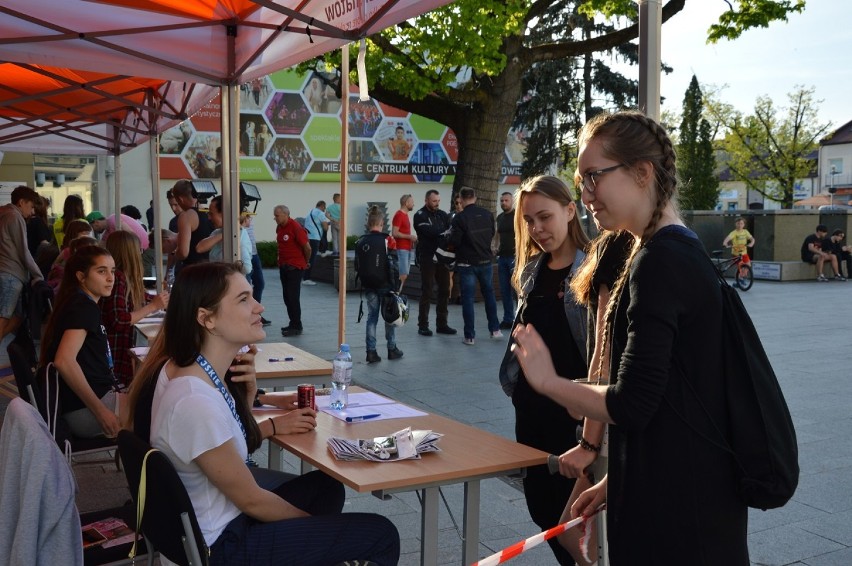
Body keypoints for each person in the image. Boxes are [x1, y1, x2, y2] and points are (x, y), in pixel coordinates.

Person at [512, 111, 750, 564]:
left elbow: (634, 403)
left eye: (593, 178)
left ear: (641, 173)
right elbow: (675, 399)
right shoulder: (670, 250)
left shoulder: (661, 261)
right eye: (581, 181)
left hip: (683, 516)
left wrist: (548, 382)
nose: (585, 196)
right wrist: (616, 480)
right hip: (676, 490)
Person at [125, 262, 400, 565]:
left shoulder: (186, 370)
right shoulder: (193, 400)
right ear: (207, 319)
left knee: (327, 488)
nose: (259, 307)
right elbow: (251, 500)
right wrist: (310, 530)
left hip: (217, 521)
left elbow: (229, 433)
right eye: (243, 300)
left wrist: (249, 392)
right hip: (223, 545)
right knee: (381, 533)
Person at [497, 175, 589, 565]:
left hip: (575, 414)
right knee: (542, 512)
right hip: (532, 411)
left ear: (571, 210)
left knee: (575, 523)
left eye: (545, 217)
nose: (537, 229)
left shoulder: (594, 270)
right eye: (529, 220)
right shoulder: (531, 269)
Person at [40, 246, 120, 439]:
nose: (110, 278)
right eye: (101, 271)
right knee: (159, 412)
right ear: (81, 276)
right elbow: (64, 361)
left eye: (113, 271)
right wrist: (101, 412)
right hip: (83, 411)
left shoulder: (78, 301)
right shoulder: (83, 307)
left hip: (83, 402)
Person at [102, 231, 169, 387]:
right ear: (130, 252)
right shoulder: (118, 279)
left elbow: (142, 298)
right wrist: (154, 306)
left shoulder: (122, 277)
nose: (142, 252)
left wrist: (161, 300)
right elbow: (119, 320)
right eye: (139, 249)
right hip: (115, 349)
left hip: (118, 348)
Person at [449, 187, 500, 345]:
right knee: (489, 295)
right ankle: (495, 330)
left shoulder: (459, 218)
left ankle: (470, 336)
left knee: (468, 299)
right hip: (485, 261)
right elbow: (492, 233)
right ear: (475, 198)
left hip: (467, 263)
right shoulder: (487, 215)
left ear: (462, 200)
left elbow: (455, 241)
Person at [358, 206, 405, 364]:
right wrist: (396, 285)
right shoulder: (388, 240)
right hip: (385, 284)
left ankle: (371, 352)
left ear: (368, 223)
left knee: (372, 318)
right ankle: (391, 349)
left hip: (369, 285)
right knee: (389, 317)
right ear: (382, 223)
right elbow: (394, 264)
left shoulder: (361, 241)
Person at [0, 186, 45, 342]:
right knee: (4, 317)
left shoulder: (4, 214)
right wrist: (38, 275)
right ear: (21, 202)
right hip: (11, 274)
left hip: (5, 272)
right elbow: (23, 251)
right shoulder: (15, 217)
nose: (32, 212)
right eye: (31, 206)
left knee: (17, 316)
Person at [413, 190, 455, 336]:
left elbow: (451, 229)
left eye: (438, 201)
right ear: (426, 200)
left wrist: (443, 232)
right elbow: (429, 231)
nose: (437, 203)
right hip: (427, 257)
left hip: (442, 256)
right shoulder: (419, 215)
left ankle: (442, 324)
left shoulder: (442, 214)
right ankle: (423, 325)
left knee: (444, 289)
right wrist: (442, 231)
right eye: (434, 201)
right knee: (427, 290)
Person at [195, 196, 253, 280]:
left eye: (211, 214)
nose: (209, 218)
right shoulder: (218, 232)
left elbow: (247, 268)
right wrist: (225, 233)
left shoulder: (240, 236)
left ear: (224, 214)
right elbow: (199, 248)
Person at [274, 205, 311, 337]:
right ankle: (292, 322)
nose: (275, 218)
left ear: (285, 214)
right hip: (284, 266)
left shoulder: (296, 227)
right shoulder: (280, 228)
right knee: (287, 297)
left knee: (292, 297)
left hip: (295, 267)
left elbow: (307, 248)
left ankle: (297, 325)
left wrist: (305, 262)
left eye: (277, 215)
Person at [171, 179, 214, 276]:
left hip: (193, 272)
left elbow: (183, 252)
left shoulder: (186, 216)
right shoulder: (209, 212)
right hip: (212, 269)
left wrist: (175, 253)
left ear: (180, 199)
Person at [242, 212, 269, 325]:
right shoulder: (237, 218)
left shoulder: (248, 216)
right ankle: (248, 316)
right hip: (244, 256)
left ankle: (256, 313)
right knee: (247, 287)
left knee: (260, 283)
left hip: (254, 254)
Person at [495, 191, 516, 329]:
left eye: (506, 200)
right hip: (502, 257)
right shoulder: (500, 217)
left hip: (515, 257)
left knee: (517, 291)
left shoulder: (517, 216)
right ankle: (508, 319)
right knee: (504, 290)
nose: (503, 203)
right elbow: (498, 234)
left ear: (512, 201)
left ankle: (520, 318)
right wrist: (495, 246)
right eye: (502, 201)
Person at [392, 194, 417, 292]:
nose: (413, 204)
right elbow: (394, 233)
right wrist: (409, 237)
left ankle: (398, 294)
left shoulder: (405, 215)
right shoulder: (399, 215)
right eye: (412, 202)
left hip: (407, 248)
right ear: (406, 203)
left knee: (404, 274)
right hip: (402, 248)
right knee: (403, 274)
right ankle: (397, 295)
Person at [302, 201, 328, 285]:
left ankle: (303, 276)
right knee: (311, 259)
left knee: (306, 257)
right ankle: (306, 279)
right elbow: (325, 227)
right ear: (322, 206)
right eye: (324, 208)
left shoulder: (311, 212)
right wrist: (327, 225)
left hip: (308, 237)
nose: (324, 210)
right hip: (315, 238)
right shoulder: (320, 213)